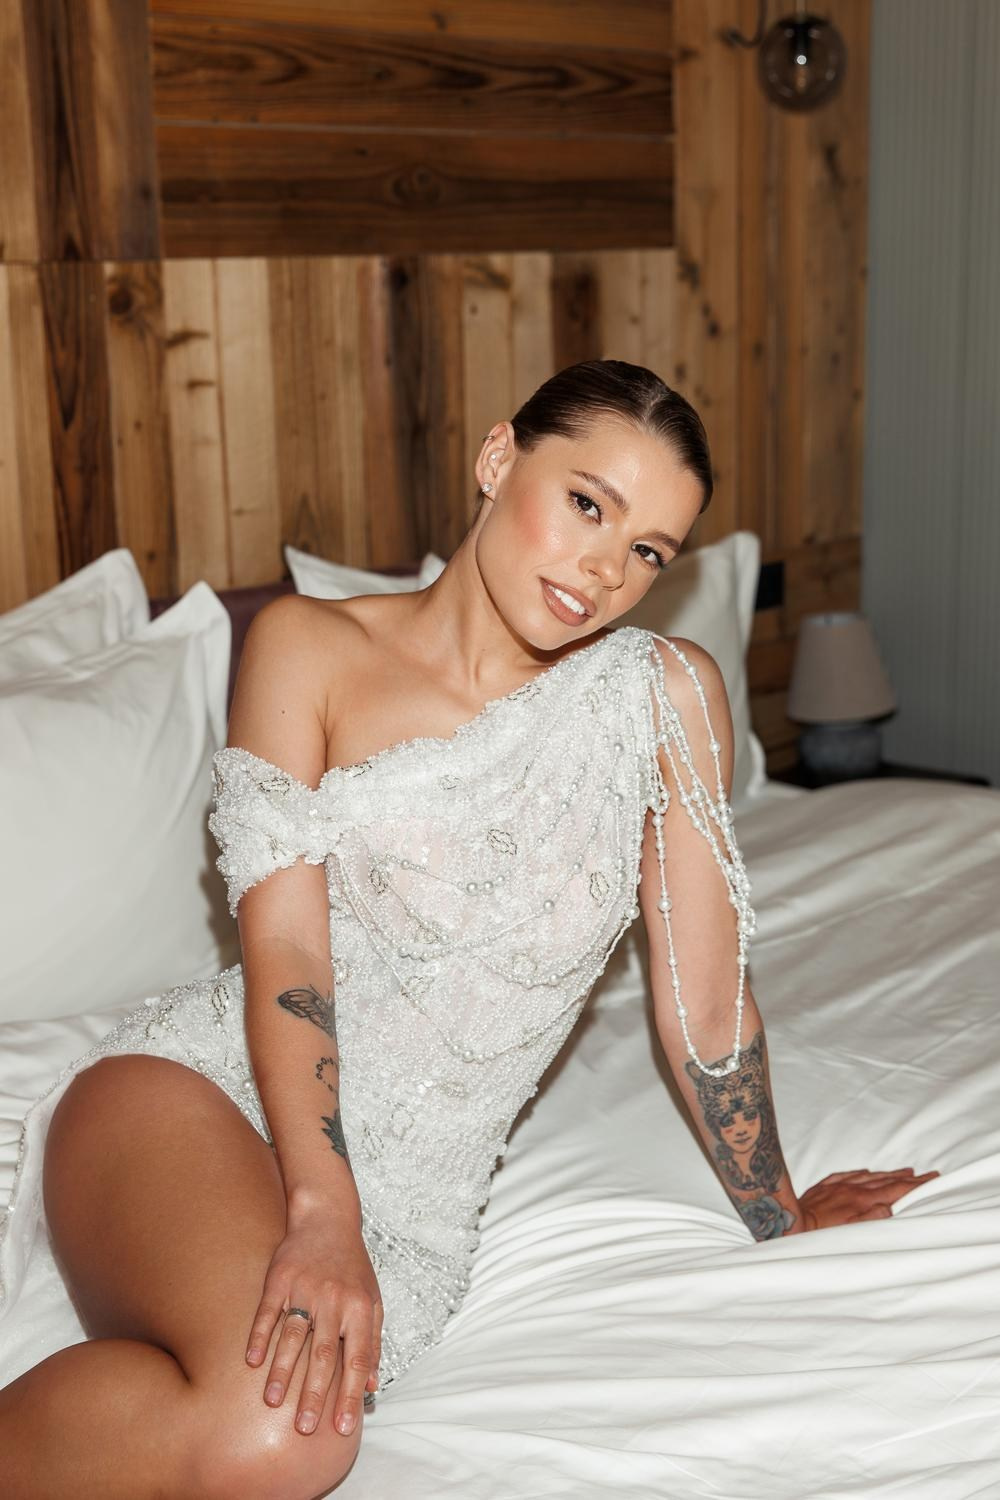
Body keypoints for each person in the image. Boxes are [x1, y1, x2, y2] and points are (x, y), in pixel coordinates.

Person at [0, 359, 937, 1499]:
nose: (605, 568)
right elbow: (288, 952)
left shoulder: (665, 698)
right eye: (587, 503)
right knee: (287, 1439)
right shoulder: (308, 648)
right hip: (195, 1100)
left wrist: (780, 1216)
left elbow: (702, 1002)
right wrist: (322, 1212)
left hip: (415, 1218)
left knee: (271, 1433)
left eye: (649, 550)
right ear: (499, 459)